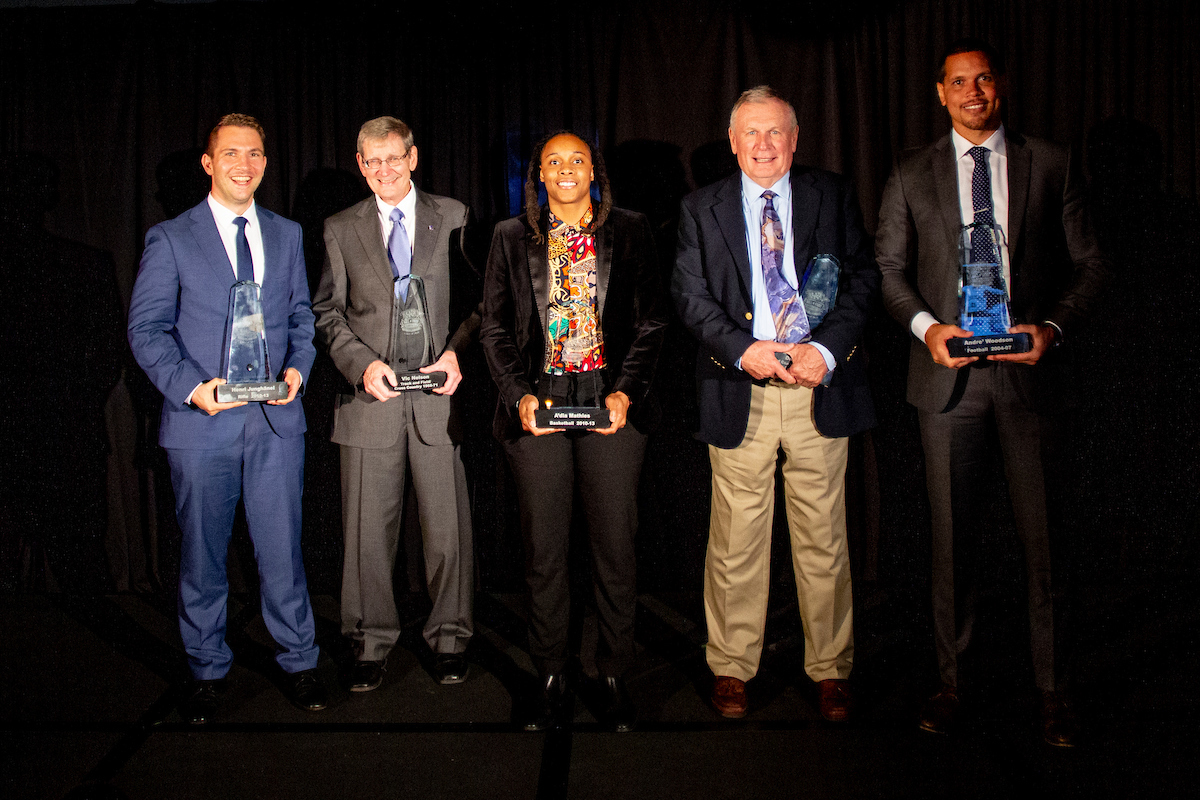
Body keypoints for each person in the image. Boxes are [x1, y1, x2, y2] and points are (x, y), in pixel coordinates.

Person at [876, 39, 1109, 747]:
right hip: (948, 383)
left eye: (983, 80)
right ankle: (953, 684)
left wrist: (1054, 329)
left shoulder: (1052, 161)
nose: (972, 92)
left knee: (1046, 547)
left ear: (999, 88)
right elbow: (888, 269)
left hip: (1030, 380)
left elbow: (1091, 264)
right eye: (958, 82)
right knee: (950, 547)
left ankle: (1053, 692)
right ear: (940, 94)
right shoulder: (911, 171)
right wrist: (927, 329)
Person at [672, 86, 877, 723]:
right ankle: (731, 666)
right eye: (751, 135)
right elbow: (690, 295)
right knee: (735, 543)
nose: (763, 146)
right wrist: (744, 350)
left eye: (775, 134)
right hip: (742, 391)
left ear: (794, 140)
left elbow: (862, 277)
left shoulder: (831, 194)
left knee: (824, 540)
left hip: (819, 387)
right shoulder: (699, 209)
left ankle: (831, 669)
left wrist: (829, 351)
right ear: (733, 142)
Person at [128, 114, 325, 723]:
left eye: (256, 154)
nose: (245, 164)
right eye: (232, 153)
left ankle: (300, 661)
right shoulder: (172, 238)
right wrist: (193, 388)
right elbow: (147, 329)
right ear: (209, 163)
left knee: (284, 554)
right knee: (203, 556)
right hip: (202, 427)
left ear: (266, 163)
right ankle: (207, 668)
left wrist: (298, 370)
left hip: (274, 423)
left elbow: (300, 319)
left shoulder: (288, 234)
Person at [480, 131, 667, 732]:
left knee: (615, 547)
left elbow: (652, 322)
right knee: (545, 552)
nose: (565, 170)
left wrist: (626, 392)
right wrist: (519, 396)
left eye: (576, 160)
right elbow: (495, 329)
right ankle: (552, 675)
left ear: (595, 171)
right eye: (553, 162)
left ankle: (613, 672)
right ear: (538, 174)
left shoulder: (632, 230)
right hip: (541, 407)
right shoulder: (511, 238)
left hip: (610, 405)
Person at [312, 116, 477, 691]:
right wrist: (362, 367)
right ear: (360, 165)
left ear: (413, 157)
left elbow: (479, 305)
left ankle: (450, 637)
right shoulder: (339, 227)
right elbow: (326, 313)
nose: (383, 170)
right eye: (371, 161)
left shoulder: (453, 216)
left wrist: (455, 354)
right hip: (370, 400)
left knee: (447, 531)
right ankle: (370, 641)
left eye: (393, 158)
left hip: (438, 397)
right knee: (367, 536)